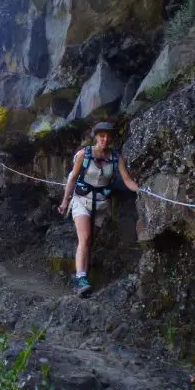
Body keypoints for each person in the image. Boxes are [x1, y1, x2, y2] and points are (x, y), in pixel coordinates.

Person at [57, 121, 140, 296]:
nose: (105, 139)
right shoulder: (84, 154)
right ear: (96, 137)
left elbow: (127, 180)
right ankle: (80, 279)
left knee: (89, 241)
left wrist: (141, 189)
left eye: (108, 136)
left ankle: (83, 273)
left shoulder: (116, 158)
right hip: (81, 200)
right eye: (102, 135)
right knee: (85, 237)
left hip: (101, 204)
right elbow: (72, 179)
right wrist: (65, 201)